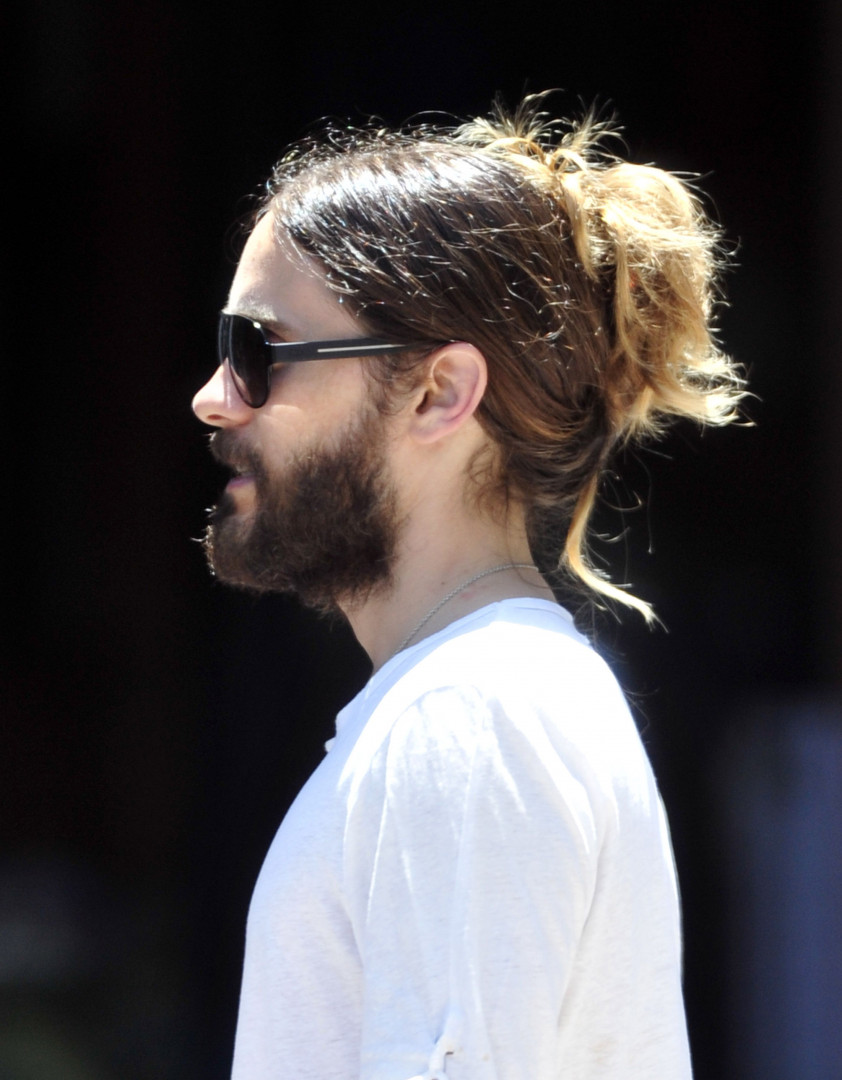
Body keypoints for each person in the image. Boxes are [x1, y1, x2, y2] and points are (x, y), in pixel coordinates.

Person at [192, 94, 743, 1080]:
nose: (213, 397)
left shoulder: (470, 712)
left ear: (439, 392)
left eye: (257, 351)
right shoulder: (482, 697)